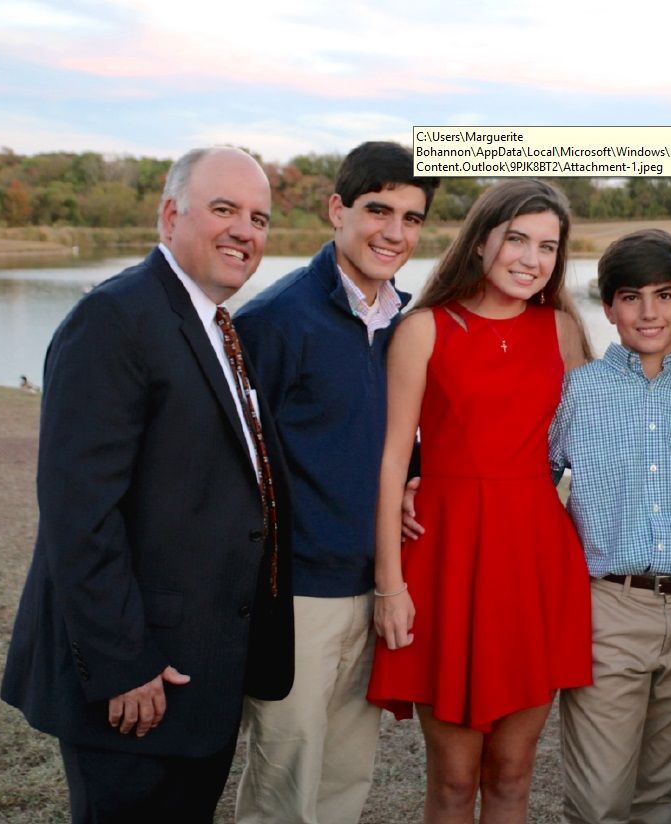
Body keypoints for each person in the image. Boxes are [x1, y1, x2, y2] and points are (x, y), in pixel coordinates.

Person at [0, 146, 294, 822]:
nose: (245, 232)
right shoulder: (115, 319)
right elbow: (80, 513)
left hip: (201, 672)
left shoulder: (215, 325)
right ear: (170, 216)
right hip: (138, 682)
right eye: (223, 210)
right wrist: (123, 663)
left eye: (259, 217)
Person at [366, 179, 593, 822]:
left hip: (534, 562)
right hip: (446, 559)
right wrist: (390, 584)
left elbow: (599, 432)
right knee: (452, 781)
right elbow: (391, 459)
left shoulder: (562, 331)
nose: (531, 258)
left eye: (548, 246)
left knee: (514, 774)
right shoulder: (424, 328)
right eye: (517, 238)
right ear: (481, 240)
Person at [231, 141, 439, 824]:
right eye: (378, 210)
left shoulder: (401, 323)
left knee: (347, 779)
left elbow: (382, 437)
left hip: (374, 588)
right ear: (336, 210)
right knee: (286, 783)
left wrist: (411, 479)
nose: (394, 232)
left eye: (411, 219)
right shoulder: (274, 321)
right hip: (297, 598)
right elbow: (232, 464)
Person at [549, 229, 671, 824]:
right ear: (610, 305)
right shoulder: (576, 390)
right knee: (599, 802)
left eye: (665, 295)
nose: (649, 312)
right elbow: (530, 484)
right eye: (632, 296)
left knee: (659, 794)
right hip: (608, 606)